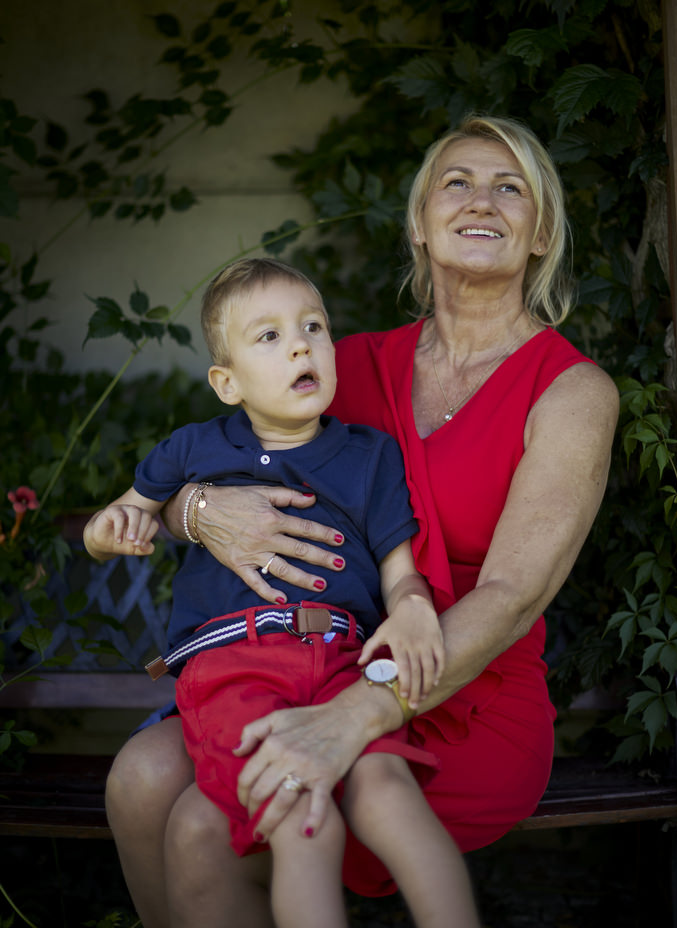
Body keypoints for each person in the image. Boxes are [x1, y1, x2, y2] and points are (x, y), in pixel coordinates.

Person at [103, 114, 620, 928]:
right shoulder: (340, 365)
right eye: (457, 182)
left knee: (204, 829)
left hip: (461, 693)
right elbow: (201, 472)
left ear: (543, 232)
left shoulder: (572, 392)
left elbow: (514, 595)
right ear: (419, 222)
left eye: (511, 187)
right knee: (138, 779)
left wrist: (356, 715)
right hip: (304, 663)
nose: (481, 200)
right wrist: (196, 510)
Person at [84, 257, 481, 928]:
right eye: (269, 336)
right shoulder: (193, 449)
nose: (301, 345)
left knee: (388, 791)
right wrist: (113, 527)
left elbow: (399, 569)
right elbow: (117, 519)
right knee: (299, 814)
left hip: (343, 661)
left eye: (313, 327)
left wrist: (413, 607)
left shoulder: (370, 456)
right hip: (235, 669)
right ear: (227, 382)